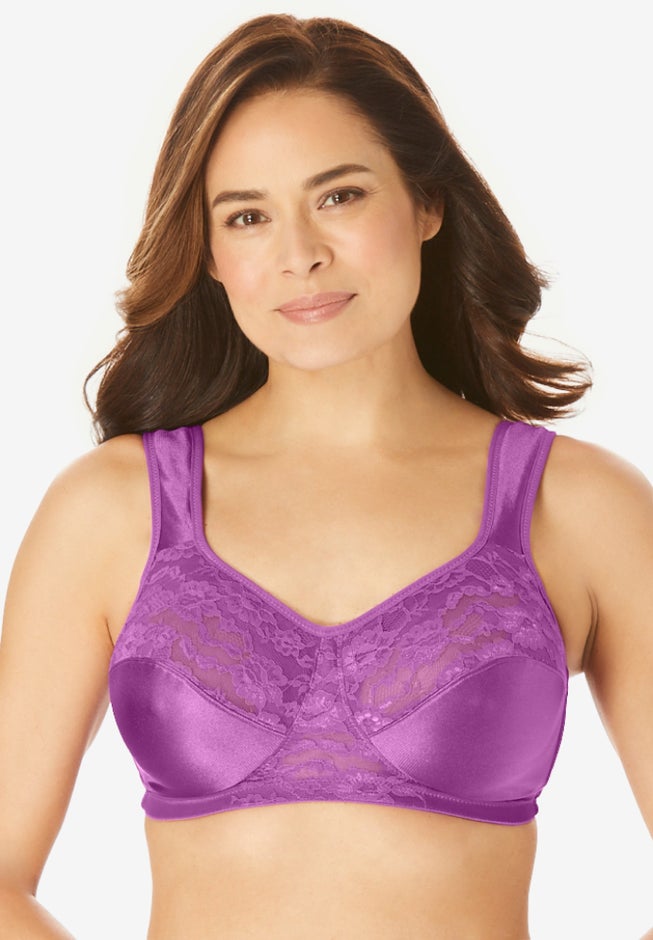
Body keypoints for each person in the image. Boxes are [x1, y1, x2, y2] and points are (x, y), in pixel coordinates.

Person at [0, 12, 651, 940]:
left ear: (426, 204)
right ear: (209, 253)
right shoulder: (111, 510)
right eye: (247, 216)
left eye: (339, 196)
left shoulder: (580, 509)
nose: (298, 253)